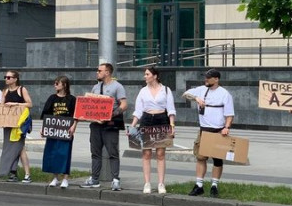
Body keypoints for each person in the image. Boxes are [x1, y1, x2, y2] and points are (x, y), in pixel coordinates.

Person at [183, 68, 235, 198]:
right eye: (205, 77)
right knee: (201, 158)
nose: (206, 79)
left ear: (216, 79)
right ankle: (199, 185)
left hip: (218, 131)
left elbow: (229, 114)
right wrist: (196, 98)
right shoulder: (201, 90)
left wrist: (226, 127)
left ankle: (214, 186)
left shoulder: (224, 94)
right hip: (204, 130)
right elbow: (185, 94)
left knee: (217, 160)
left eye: (208, 77)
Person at [129, 66, 176, 194]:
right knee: (146, 153)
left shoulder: (166, 90)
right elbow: (138, 111)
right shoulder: (143, 91)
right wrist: (132, 126)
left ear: (155, 76)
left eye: (147, 74)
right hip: (147, 120)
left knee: (160, 153)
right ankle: (147, 183)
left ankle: (161, 183)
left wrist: (172, 126)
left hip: (162, 119)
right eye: (145, 74)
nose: (145, 76)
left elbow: (171, 110)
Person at [81, 63, 127, 191]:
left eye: (99, 70)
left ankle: (115, 179)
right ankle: (94, 179)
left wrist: (110, 115)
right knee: (95, 153)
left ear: (107, 72)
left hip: (110, 125)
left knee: (113, 152)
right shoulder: (95, 87)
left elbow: (123, 105)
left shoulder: (117, 87)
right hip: (96, 125)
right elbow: (90, 105)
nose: (97, 72)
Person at [41, 76, 78, 188]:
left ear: (65, 85)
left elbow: (76, 115)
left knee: (65, 154)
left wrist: (73, 127)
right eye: (55, 83)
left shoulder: (71, 99)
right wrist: (44, 128)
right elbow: (46, 114)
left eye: (57, 83)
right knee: (53, 154)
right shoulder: (52, 98)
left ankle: (65, 178)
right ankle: (55, 177)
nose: (55, 85)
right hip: (53, 130)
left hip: (66, 131)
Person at [0, 70, 33, 183]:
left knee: (19, 148)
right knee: (9, 147)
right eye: (5, 77)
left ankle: (27, 174)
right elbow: (1, 106)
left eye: (9, 77)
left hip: (19, 125)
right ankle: (12, 173)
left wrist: (16, 104)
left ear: (15, 79)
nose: (6, 79)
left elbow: (30, 104)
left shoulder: (21, 89)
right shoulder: (5, 91)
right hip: (8, 123)